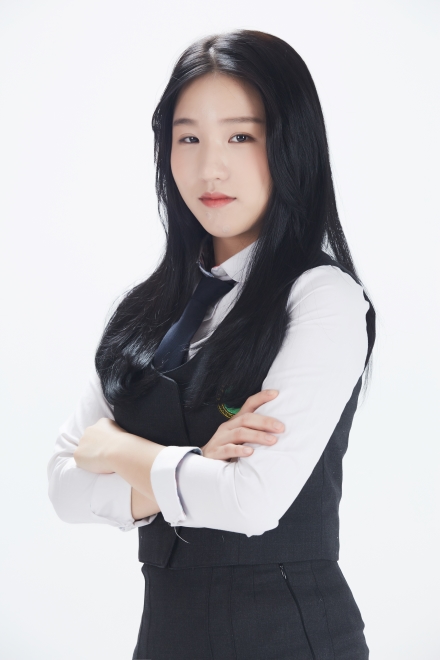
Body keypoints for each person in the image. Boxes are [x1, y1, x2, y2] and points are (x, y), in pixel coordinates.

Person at [47, 30, 375, 659]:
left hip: (288, 638)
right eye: (188, 138)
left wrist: (117, 448)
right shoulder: (143, 312)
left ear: (292, 144)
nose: (210, 168)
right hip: (163, 639)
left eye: (241, 137)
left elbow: (250, 501)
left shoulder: (322, 298)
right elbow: (63, 487)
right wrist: (197, 465)